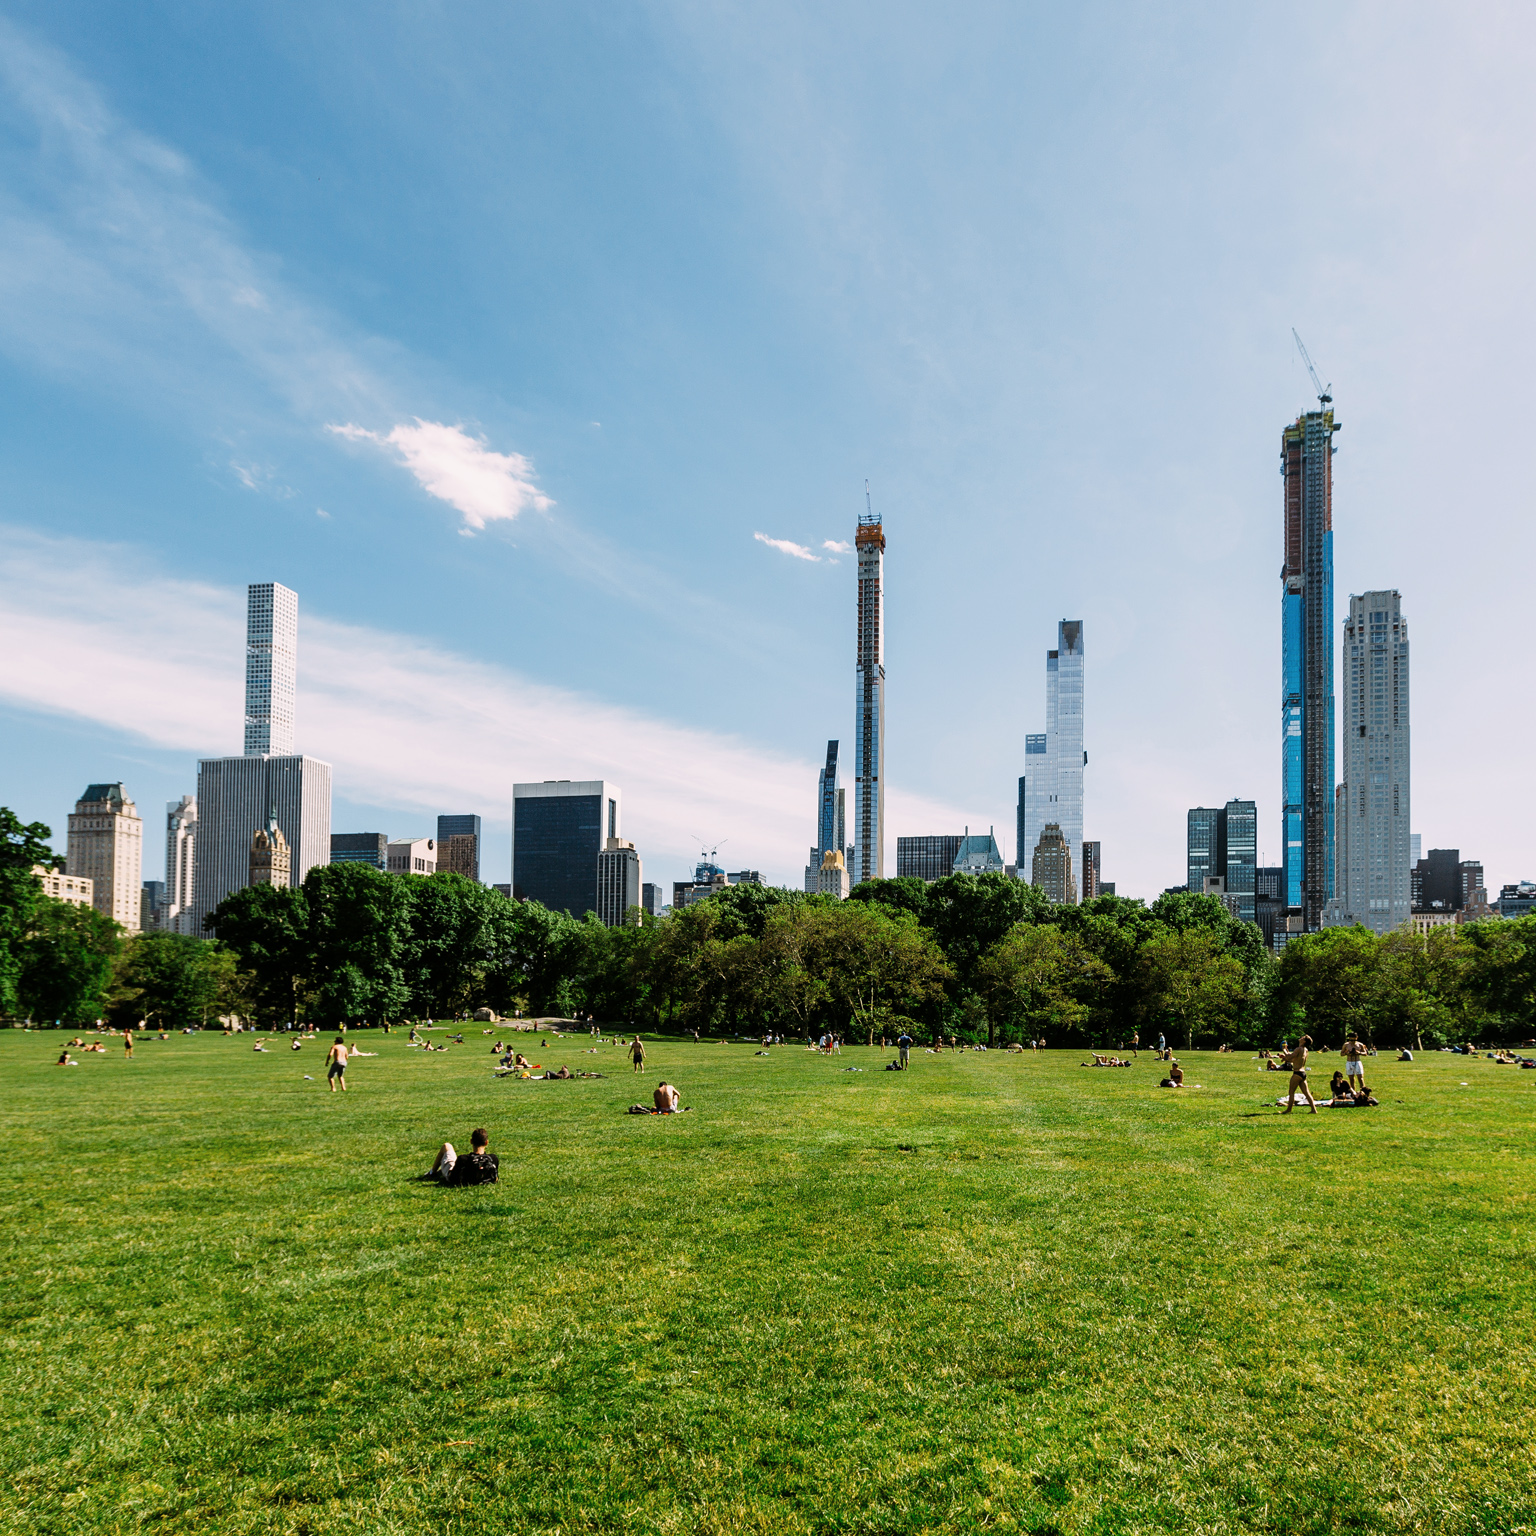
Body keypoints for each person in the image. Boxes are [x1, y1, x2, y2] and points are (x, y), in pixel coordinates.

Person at [426, 1128, 498, 1185]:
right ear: (486, 1142)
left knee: (447, 1146)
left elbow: (453, 1178)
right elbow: (495, 1178)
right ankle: (438, 1172)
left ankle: (432, 1173)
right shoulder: (493, 1158)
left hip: (453, 1175)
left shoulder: (463, 1159)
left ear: (471, 1141)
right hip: (481, 1177)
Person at [1281, 1036, 1318, 1115]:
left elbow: (1290, 1057)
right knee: (1307, 1093)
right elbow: (1295, 1059)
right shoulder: (1305, 1050)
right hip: (1303, 1073)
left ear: (1304, 1041)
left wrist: (1284, 1050)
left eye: (1303, 1037)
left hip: (1297, 1073)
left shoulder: (1298, 1049)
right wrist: (1286, 1058)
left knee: (1291, 1091)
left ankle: (1288, 1110)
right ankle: (1314, 1110)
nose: (1301, 1037)